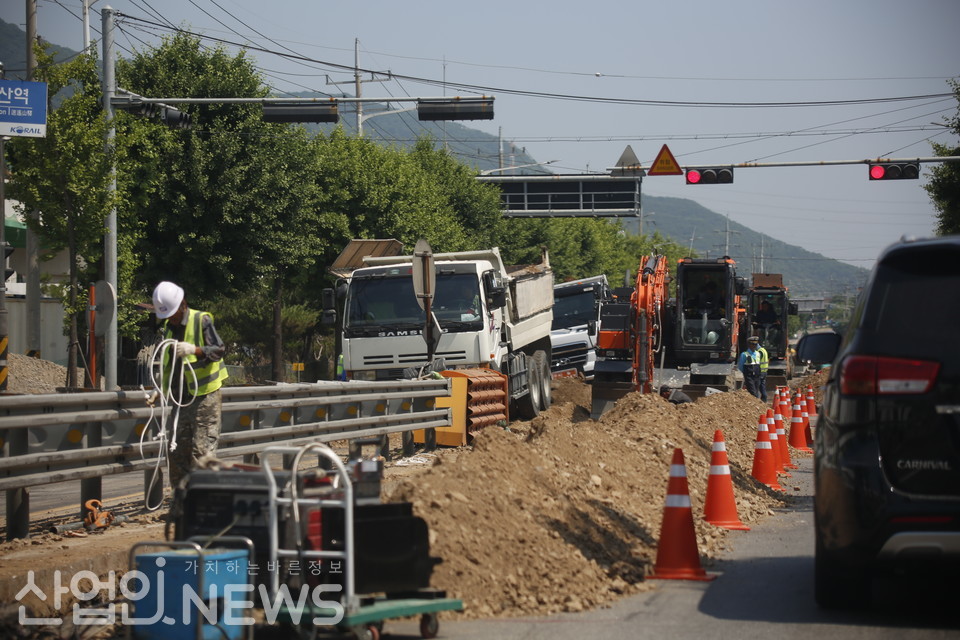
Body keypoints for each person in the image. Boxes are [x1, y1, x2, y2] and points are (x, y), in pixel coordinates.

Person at [152, 281, 228, 490]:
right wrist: (159, 388)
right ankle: (182, 502)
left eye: (173, 314)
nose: (170, 318)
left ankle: (205, 500)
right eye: (167, 315)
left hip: (205, 396)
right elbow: (169, 364)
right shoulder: (169, 328)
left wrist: (195, 350)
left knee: (202, 452)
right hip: (181, 398)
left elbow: (219, 350)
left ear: (182, 304)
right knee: (177, 452)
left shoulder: (201, 320)